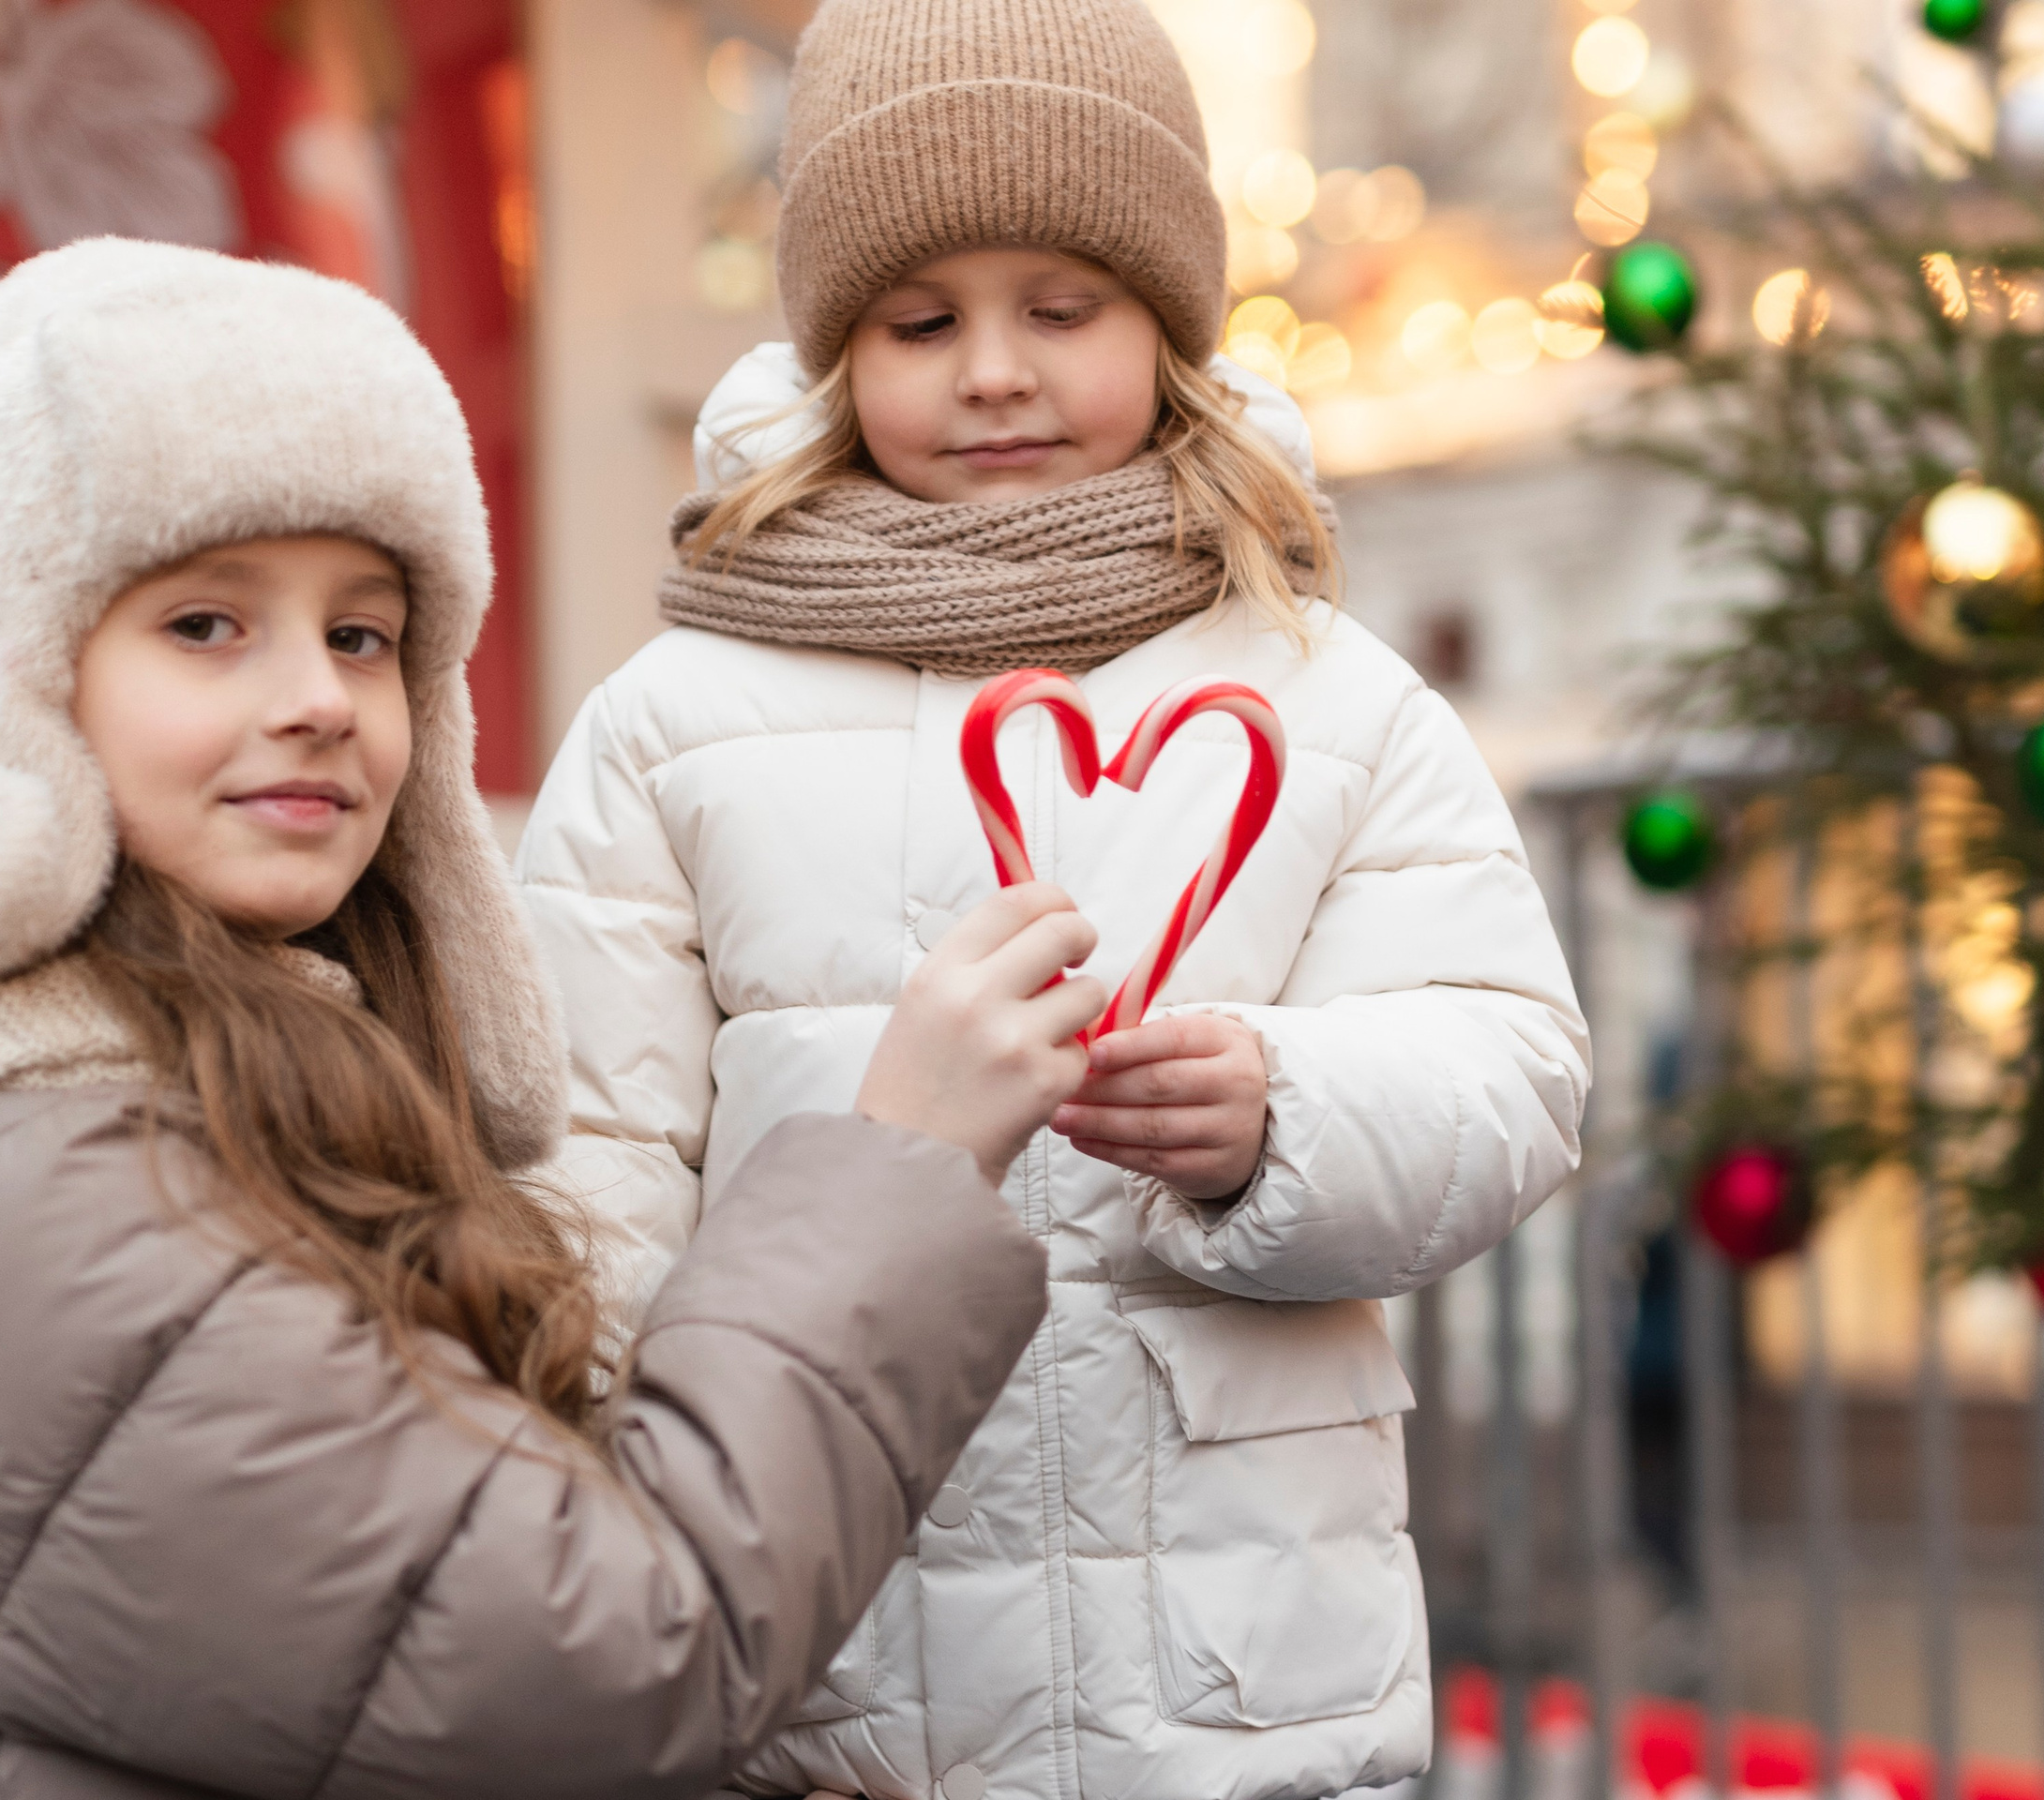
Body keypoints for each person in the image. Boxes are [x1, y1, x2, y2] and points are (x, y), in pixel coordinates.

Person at [0, 238, 1116, 1800]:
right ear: (17, 686)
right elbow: (608, 1662)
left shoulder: (212, 1105)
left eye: (362, 633)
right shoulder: (35, 1199)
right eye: (207, 625)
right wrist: (896, 1165)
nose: (322, 699)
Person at [512, 3, 1593, 1797]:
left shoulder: (1321, 690)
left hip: (1243, 1698)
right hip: (842, 1677)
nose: (992, 371)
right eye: (919, 322)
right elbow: (586, 1159)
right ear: (833, 343)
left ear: (1164, 327)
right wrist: (626, 1520)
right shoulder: (678, 722)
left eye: (1061, 309)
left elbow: (1509, 1063)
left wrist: (1283, 1115)